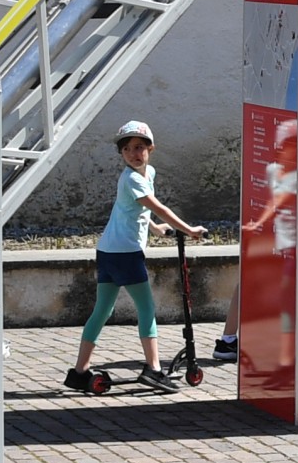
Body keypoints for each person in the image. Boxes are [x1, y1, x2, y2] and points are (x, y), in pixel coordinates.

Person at [72, 121, 202, 386]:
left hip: (108, 251)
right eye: (127, 149)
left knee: (102, 310)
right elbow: (159, 207)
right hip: (125, 254)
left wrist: (154, 229)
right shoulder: (131, 179)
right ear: (121, 153)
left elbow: (135, 209)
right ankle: (153, 370)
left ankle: (79, 372)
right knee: (147, 308)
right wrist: (189, 230)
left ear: (150, 149)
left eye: (139, 147)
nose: (134, 154)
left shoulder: (148, 173)